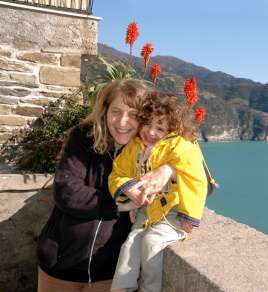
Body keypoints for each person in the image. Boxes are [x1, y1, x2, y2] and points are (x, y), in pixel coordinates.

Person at [36, 79, 175, 292]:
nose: (122, 122)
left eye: (134, 114)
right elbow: (67, 192)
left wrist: (168, 170)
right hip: (60, 265)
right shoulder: (83, 138)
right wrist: (121, 203)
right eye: (116, 112)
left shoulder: (156, 148)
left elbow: (203, 178)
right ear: (105, 111)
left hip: (110, 275)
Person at [108, 91, 209, 292]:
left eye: (160, 128)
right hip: (145, 212)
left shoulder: (180, 146)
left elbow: (196, 179)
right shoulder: (134, 147)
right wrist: (129, 189)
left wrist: (189, 216)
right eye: (147, 124)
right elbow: (117, 173)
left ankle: (149, 289)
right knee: (129, 247)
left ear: (172, 129)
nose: (151, 132)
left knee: (152, 243)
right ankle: (121, 289)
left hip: (172, 211)